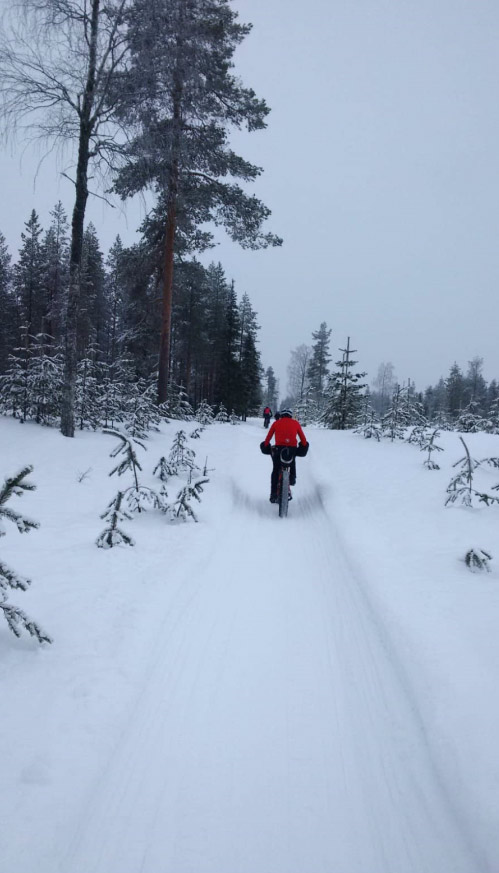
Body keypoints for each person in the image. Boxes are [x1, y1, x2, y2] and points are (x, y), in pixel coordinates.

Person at [260, 408, 309, 503]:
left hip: (278, 449)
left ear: (281, 415)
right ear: (290, 415)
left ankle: (273, 494)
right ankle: (292, 477)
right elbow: (303, 440)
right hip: (292, 449)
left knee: (275, 470)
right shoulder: (296, 423)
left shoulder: (276, 423)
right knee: (292, 460)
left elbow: (268, 439)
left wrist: (265, 446)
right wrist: (303, 446)